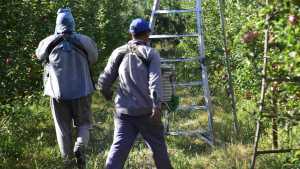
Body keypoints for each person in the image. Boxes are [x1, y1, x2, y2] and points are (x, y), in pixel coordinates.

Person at [98, 18, 173, 169]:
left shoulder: (118, 52)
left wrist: (106, 94)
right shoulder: (151, 54)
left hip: (124, 112)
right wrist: (156, 106)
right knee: (159, 151)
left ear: (131, 34)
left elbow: (104, 81)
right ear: (147, 34)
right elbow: (154, 82)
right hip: (147, 112)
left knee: (118, 151)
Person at [35, 7, 98, 169]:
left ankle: (67, 163)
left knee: (62, 129)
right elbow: (94, 58)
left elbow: (39, 55)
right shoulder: (85, 41)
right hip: (82, 91)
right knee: (84, 123)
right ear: (73, 23)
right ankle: (81, 145)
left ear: (57, 24)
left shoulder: (47, 42)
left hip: (57, 94)